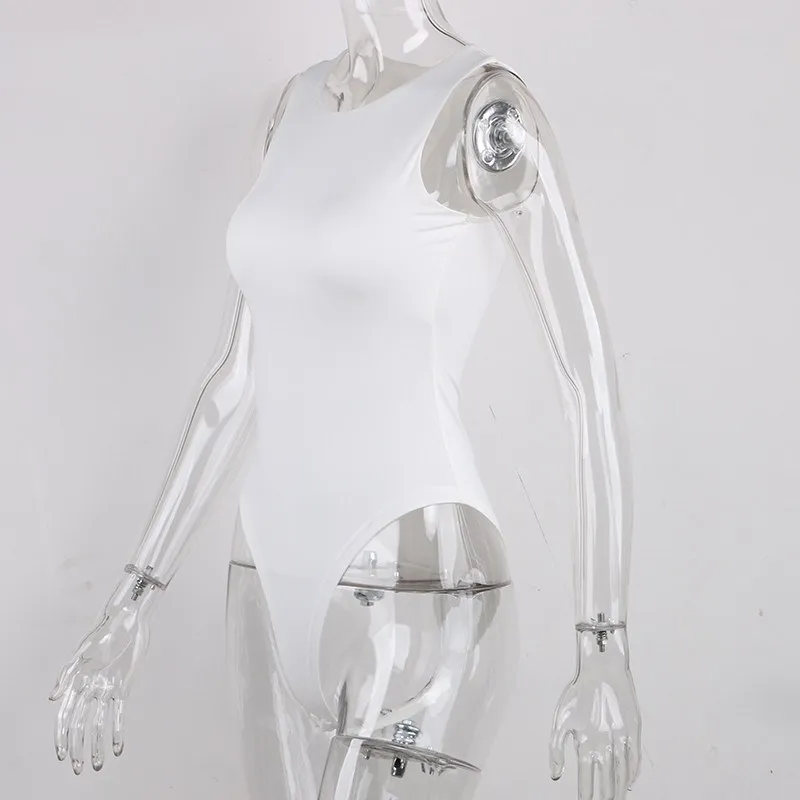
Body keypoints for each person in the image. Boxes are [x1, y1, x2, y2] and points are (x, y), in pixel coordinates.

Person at [50, 2, 642, 798]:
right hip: (263, 583)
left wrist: (603, 644)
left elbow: (587, 375)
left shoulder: (482, 108)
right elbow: (237, 378)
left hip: (423, 591)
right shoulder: (290, 110)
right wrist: (132, 600)